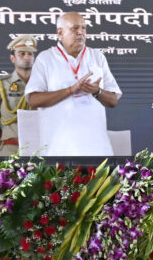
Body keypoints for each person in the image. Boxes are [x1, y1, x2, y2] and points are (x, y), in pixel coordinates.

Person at [25, 12, 121, 156]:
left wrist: (97, 92)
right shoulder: (46, 58)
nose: (80, 32)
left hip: (97, 149)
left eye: (84, 28)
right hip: (57, 150)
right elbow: (33, 100)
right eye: (75, 28)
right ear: (60, 32)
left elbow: (113, 100)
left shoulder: (97, 56)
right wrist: (70, 90)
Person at [0, 35, 37, 156]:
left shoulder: (44, 84)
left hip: (39, 149)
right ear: (12, 58)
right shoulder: (1, 84)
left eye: (30, 54)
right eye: (22, 54)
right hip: (11, 148)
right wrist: (4, 146)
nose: (27, 57)